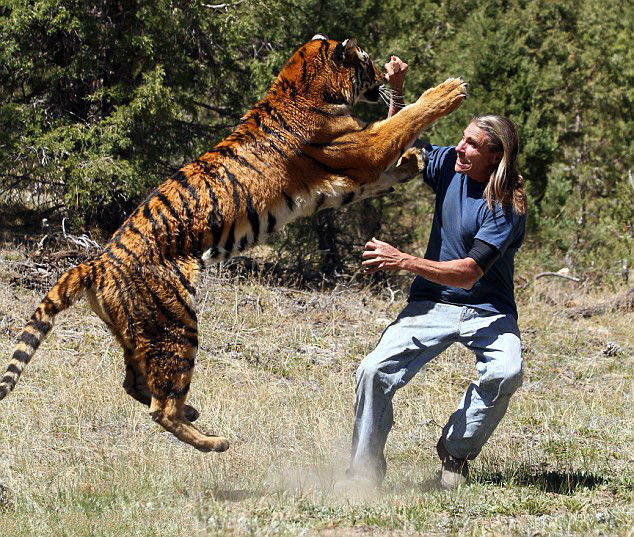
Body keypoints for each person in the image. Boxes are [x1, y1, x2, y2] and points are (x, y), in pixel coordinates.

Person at [345, 56, 528, 490]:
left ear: (496, 157)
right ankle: (364, 470)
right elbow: (395, 145)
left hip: (487, 308)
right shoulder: (449, 164)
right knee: (372, 371)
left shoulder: (506, 206)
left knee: (507, 371)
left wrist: (403, 259)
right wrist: (400, 93)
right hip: (431, 304)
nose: (459, 148)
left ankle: (454, 454)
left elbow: (467, 274)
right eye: (461, 139)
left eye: (471, 145)